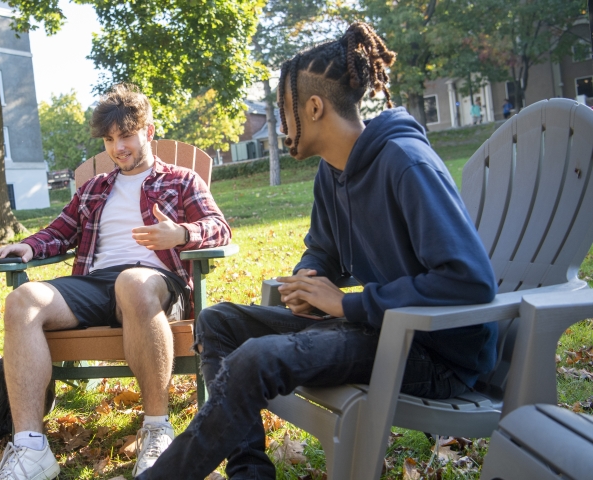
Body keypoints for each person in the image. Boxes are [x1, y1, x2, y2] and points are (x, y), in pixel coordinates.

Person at [136, 22, 497, 480]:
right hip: (377, 329)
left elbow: (469, 280)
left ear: (314, 106)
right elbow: (322, 250)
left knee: (256, 358)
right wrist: (307, 280)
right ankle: (250, 472)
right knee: (219, 322)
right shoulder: (332, 172)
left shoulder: (406, 163)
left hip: (434, 354)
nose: (283, 127)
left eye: (285, 112)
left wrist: (347, 303)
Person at [0, 83, 231, 480]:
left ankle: (156, 430)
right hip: (96, 283)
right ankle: (31, 448)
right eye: (109, 139)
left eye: (127, 136)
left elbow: (220, 228)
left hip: (155, 283)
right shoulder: (93, 188)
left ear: (148, 132)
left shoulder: (182, 181)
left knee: (133, 282)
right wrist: (29, 247)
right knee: (23, 300)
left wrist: (182, 234)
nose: (118, 148)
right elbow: (60, 231)